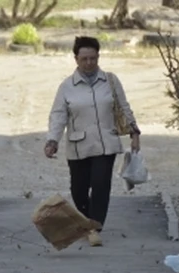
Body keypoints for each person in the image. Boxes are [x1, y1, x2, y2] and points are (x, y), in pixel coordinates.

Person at [44, 36, 140, 247]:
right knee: (78, 189)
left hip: (106, 143)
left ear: (98, 57)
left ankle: (94, 228)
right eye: (84, 59)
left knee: (100, 184)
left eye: (93, 58)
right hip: (78, 147)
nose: (89, 63)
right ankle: (85, 221)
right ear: (76, 59)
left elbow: (124, 107)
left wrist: (135, 133)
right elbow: (58, 115)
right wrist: (52, 140)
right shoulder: (66, 87)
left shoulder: (111, 81)